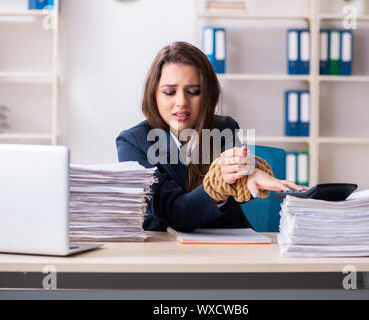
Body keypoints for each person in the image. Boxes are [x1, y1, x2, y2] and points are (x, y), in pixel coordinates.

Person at [116, 41, 302, 232]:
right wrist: (221, 183)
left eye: (194, 92)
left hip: (226, 245)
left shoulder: (223, 129)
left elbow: (237, 184)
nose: (181, 102)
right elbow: (174, 212)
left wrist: (249, 173)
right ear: (154, 94)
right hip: (164, 251)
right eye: (169, 92)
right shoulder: (132, 143)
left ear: (208, 95)